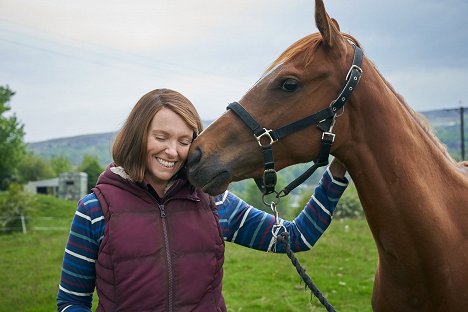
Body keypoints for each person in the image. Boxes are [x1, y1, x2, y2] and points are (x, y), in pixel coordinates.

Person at [56, 88, 348, 312]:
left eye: (184, 141)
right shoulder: (95, 210)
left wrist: (335, 175)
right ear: (137, 136)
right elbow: (71, 301)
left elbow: (297, 237)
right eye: (161, 137)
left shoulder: (216, 203)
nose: (172, 151)